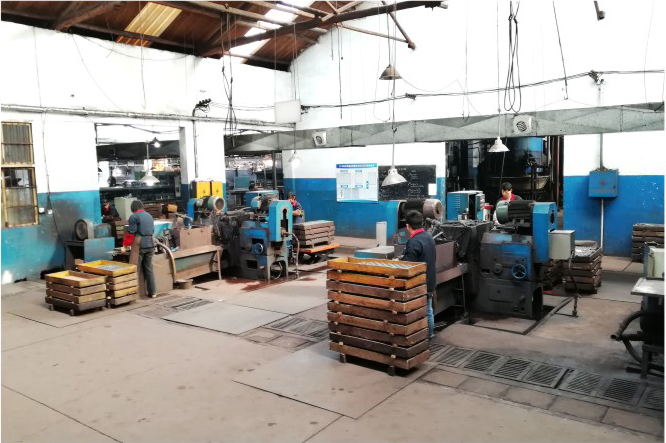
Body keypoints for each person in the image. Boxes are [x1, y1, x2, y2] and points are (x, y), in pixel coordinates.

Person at [401, 210, 437, 340]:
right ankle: (430, 335)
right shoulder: (429, 237)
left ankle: (420, 338)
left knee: (420, 312)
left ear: (408, 226)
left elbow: (408, 265)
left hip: (420, 283)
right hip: (430, 280)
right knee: (429, 310)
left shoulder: (414, 242)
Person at [121, 200, 156, 298]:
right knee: (149, 269)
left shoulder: (134, 217)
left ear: (133, 208)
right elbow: (152, 230)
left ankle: (133, 294)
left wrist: (124, 246)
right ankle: (153, 292)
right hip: (150, 244)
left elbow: (131, 233)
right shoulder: (149, 216)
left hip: (140, 245)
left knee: (135, 269)